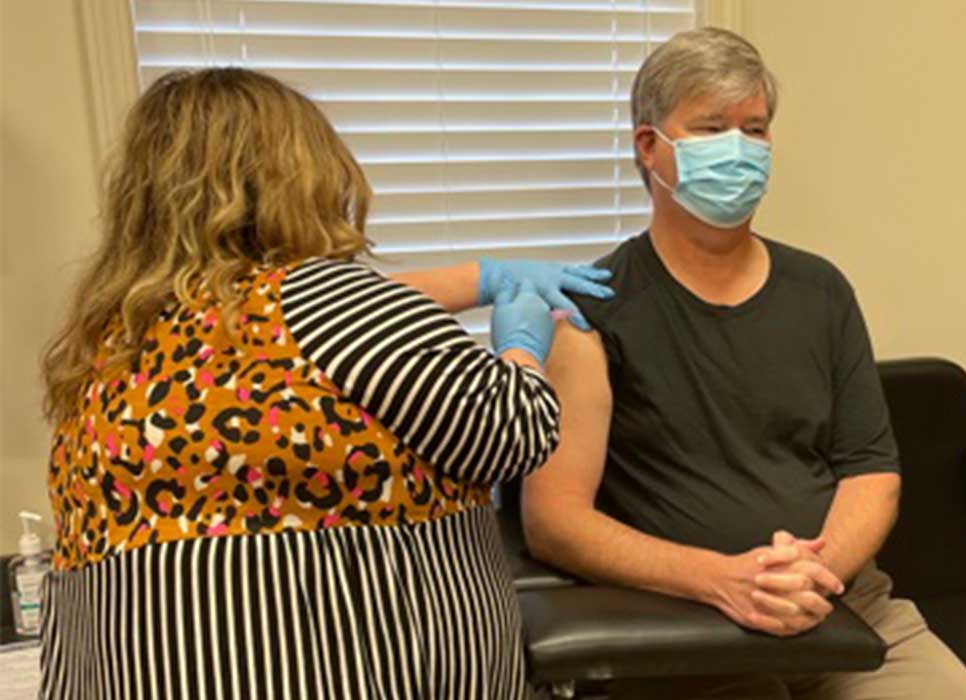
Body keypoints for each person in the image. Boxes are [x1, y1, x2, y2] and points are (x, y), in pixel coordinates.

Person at [38, 67, 613, 699]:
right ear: (299, 174)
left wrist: (480, 276)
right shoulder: (329, 298)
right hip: (337, 661)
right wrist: (521, 348)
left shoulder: (117, 334)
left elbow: (306, 336)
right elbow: (514, 429)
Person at [520, 27, 966, 699]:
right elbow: (556, 521)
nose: (739, 150)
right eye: (712, 128)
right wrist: (723, 580)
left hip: (846, 608)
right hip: (684, 627)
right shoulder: (593, 310)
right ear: (651, 148)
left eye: (755, 130)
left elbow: (871, 471)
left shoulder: (821, 292)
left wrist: (810, 576)